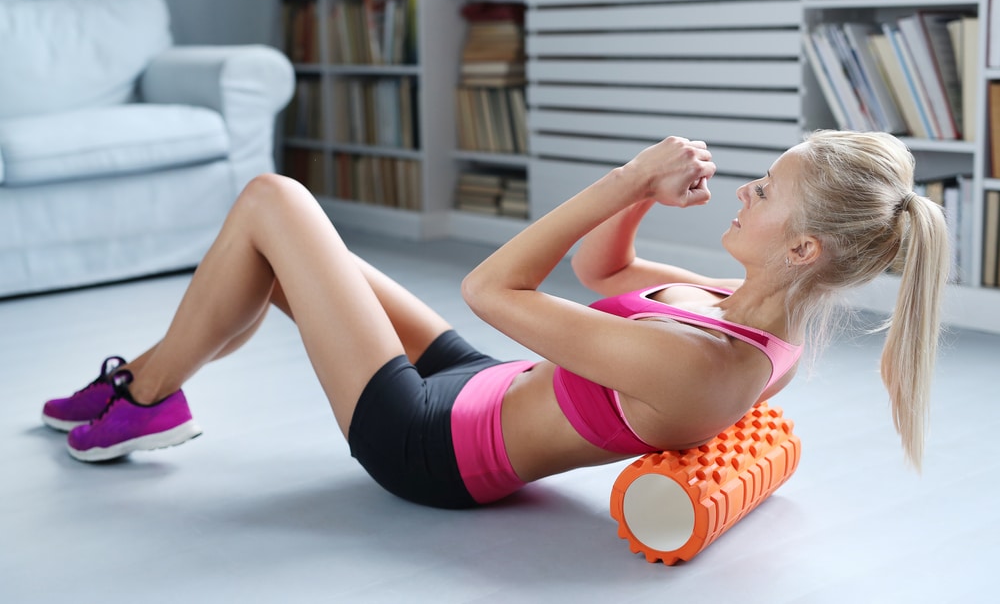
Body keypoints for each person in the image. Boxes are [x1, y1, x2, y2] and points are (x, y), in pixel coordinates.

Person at [41, 131, 949, 509]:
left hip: (429, 446)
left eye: (767, 191)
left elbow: (491, 288)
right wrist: (642, 206)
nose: (746, 188)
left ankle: (147, 391)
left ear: (805, 252)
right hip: (477, 386)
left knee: (274, 199)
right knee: (272, 255)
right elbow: (603, 268)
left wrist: (629, 178)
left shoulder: (707, 363)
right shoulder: (743, 305)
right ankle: (149, 385)